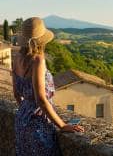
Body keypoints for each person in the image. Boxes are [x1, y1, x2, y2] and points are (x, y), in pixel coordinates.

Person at [12, 17, 84, 156]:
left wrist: (25, 111)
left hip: (21, 121)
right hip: (38, 124)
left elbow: (16, 94)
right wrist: (62, 125)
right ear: (41, 41)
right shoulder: (38, 60)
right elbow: (41, 99)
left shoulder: (16, 58)